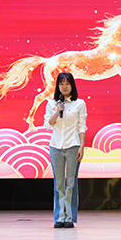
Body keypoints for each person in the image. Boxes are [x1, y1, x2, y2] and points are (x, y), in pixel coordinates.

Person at [43, 72, 86, 229]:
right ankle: (59, 217)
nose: (64, 86)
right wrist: (57, 110)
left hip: (73, 145)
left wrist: (82, 146)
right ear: (58, 86)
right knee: (59, 183)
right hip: (56, 146)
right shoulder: (51, 104)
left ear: (72, 85)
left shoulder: (79, 104)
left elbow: (82, 126)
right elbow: (48, 124)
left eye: (67, 83)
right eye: (61, 84)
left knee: (71, 183)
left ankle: (69, 217)